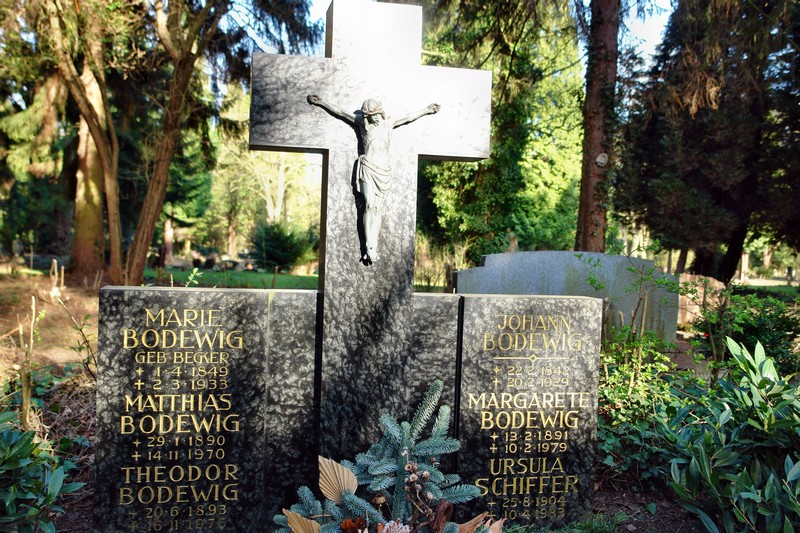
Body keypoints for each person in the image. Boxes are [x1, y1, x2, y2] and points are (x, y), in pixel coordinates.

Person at [307, 95, 439, 265]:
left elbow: (408, 117)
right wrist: (321, 102)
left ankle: (373, 246)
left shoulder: (388, 123)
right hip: (368, 167)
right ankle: (369, 247)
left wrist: (427, 110)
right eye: (370, 116)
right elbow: (341, 112)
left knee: (377, 208)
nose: (374, 117)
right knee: (369, 205)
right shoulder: (363, 124)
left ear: (381, 112)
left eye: (376, 114)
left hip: (383, 170)